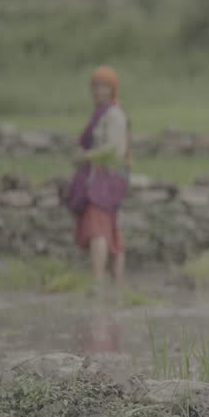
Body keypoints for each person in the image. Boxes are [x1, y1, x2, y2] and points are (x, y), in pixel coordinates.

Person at [67, 65, 131, 293]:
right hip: (102, 175)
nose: (98, 91)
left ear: (112, 89)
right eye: (95, 86)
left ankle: (99, 281)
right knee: (109, 228)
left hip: (107, 177)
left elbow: (114, 149)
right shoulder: (101, 113)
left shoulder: (114, 115)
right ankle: (115, 285)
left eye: (103, 86)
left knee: (99, 228)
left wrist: (87, 156)